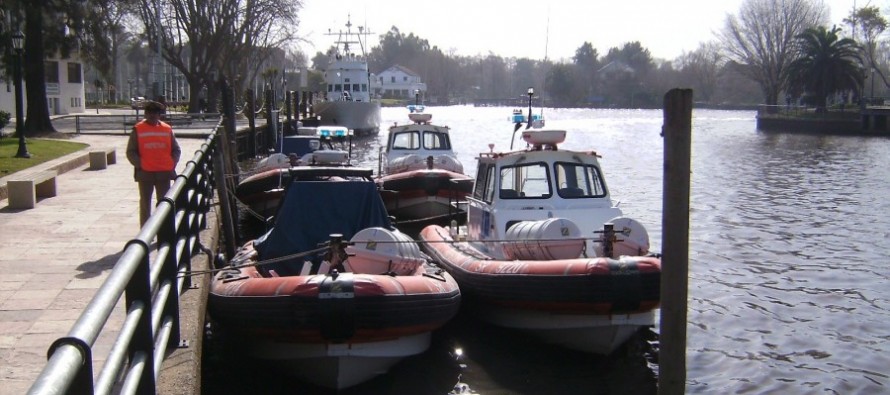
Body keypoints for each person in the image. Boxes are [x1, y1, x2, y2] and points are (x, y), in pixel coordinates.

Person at [126, 100, 182, 227]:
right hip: (145, 174)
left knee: (165, 202)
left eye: (155, 113)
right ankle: (145, 231)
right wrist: (141, 164)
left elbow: (176, 150)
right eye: (149, 112)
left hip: (164, 173)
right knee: (145, 203)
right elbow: (131, 152)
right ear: (145, 114)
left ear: (159, 114)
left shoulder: (167, 129)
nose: (152, 115)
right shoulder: (138, 129)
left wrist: (171, 163)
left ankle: (166, 228)